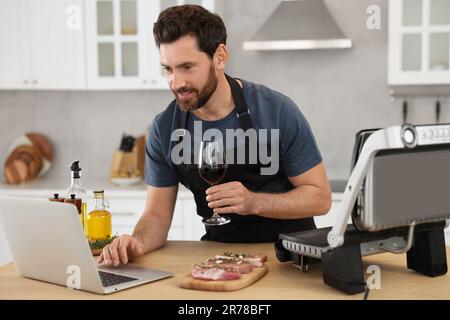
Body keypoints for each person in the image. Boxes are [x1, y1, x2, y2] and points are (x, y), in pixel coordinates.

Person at [99, 5, 331, 267]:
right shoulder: (164, 129)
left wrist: (254, 202)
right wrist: (138, 241)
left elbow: (320, 198)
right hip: (220, 259)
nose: (176, 83)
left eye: (187, 67)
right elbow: (156, 216)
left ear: (219, 57)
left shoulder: (277, 111)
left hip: (291, 258)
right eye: (168, 69)